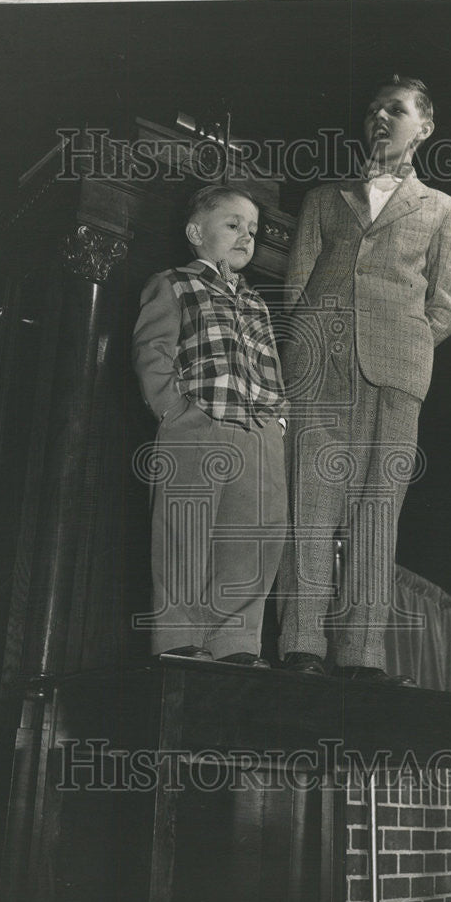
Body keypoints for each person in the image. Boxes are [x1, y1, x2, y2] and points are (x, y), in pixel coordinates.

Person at [276, 75, 451, 683]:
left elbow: (447, 304)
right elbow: (295, 286)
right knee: (310, 507)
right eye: (371, 111)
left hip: (396, 375)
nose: (380, 118)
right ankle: (301, 645)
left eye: (395, 108)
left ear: (425, 126)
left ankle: (361, 654)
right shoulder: (324, 198)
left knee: (377, 510)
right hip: (320, 368)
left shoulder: (445, 209)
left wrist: (404, 344)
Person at [132, 186, 288, 668]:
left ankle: (236, 645)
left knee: (255, 539)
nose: (247, 236)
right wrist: (175, 413)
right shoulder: (174, 283)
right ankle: (180, 638)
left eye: (254, 230)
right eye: (233, 225)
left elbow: (272, 367)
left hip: (258, 433)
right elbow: (152, 351)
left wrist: (278, 421)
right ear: (196, 233)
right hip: (197, 426)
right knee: (186, 530)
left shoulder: (256, 302)